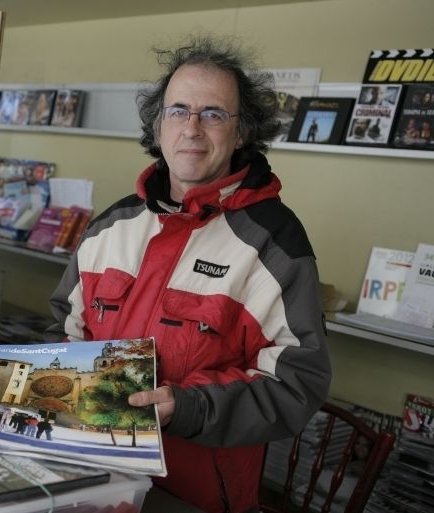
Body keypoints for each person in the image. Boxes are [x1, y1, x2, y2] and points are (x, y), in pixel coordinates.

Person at [47, 35, 330, 513]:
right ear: (159, 126)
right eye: (178, 110)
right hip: (89, 479)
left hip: (193, 496)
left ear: (242, 133)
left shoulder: (274, 243)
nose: (192, 128)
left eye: (214, 114)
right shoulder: (108, 228)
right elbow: (64, 332)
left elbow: (296, 382)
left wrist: (191, 407)